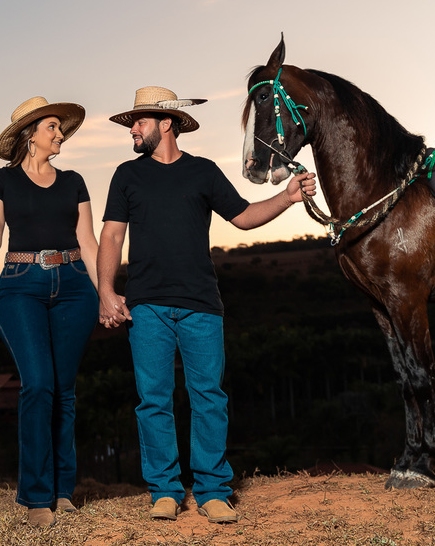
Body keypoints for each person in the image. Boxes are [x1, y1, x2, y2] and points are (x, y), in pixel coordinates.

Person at [96, 86, 315, 524]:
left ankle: (213, 490)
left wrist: (288, 197)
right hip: (147, 306)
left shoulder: (204, 173)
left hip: (200, 304)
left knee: (208, 398)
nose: (132, 130)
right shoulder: (126, 175)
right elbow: (113, 236)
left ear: (167, 123)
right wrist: (105, 289)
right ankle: (164, 491)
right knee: (153, 400)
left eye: (139, 122)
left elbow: (244, 217)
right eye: (132, 123)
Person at [0, 96, 99, 528]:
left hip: (74, 287)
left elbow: (87, 242)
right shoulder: (1, 181)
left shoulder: (75, 182)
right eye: (52, 127)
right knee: (38, 384)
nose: (60, 134)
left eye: (60, 128)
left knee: (64, 390)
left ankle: (63, 491)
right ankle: (35, 497)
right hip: (20, 286)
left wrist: (106, 292)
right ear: (30, 135)